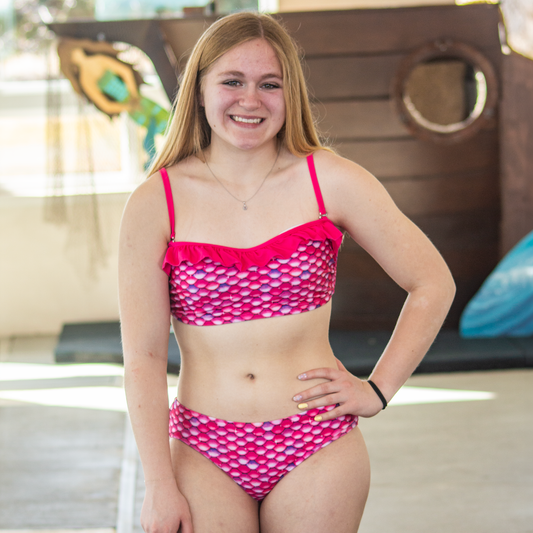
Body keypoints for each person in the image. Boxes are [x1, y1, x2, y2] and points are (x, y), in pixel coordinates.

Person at [118, 11, 455, 533]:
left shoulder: (331, 180)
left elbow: (432, 282)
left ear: (290, 93)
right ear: (200, 90)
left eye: (269, 84)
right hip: (203, 447)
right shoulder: (155, 202)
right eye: (232, 81)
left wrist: (378, 389)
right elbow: (142, 356)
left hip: (315, 441)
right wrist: (159, 485)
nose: (250, 100)